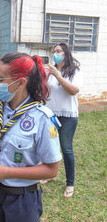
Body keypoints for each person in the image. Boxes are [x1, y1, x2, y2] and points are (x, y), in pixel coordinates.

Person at [0, 52, 62, 222]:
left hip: (22, 198)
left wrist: (6, 172)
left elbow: (52, 169)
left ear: (20, 83)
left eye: (0, 79)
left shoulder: (42, 118)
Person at [42, 43, 82, 198]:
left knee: (66, 149)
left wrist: (57, 75)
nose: (55, 53)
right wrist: (45, 75)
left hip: (68, 117)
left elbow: (73, 91)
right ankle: (50, 174)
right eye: (54, 51)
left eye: (58, 51)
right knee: (50, 147)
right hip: (51, 116)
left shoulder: (75, 71)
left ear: (66, 53)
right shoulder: (51, 72)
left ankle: (70, 183)